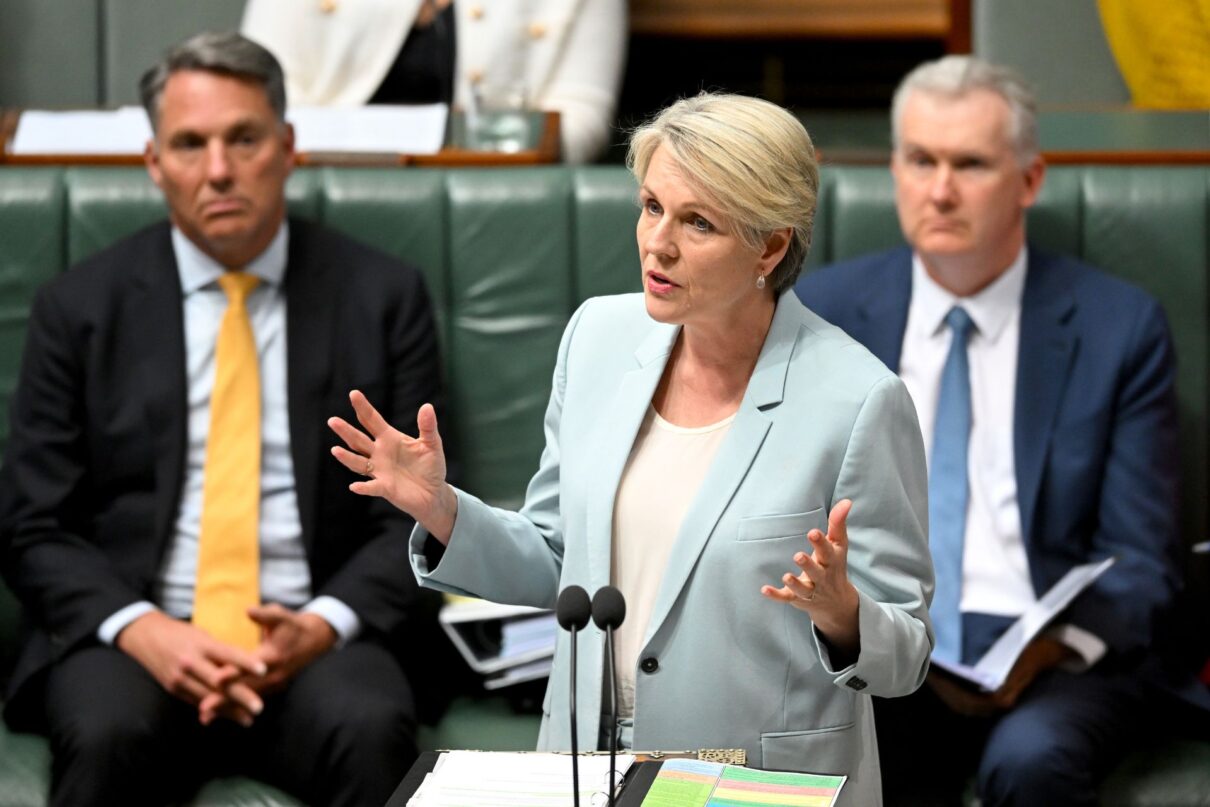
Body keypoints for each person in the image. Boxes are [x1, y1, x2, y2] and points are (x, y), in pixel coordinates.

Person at [328, 92, 934, 806]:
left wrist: (843, 612)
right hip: (584, 768)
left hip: (754, 784)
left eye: (697, 222)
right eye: (651, 206)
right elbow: (559, 560)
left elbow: (907, 657)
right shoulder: (597, 339)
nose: (658, 243)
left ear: (769, 246)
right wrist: (443, 510)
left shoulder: (860, 399)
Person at [0, 31, 445, 807]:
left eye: (243, 138)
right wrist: (144, 628)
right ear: (154, 162)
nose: (218, 169)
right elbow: (33, 523)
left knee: (371, 726)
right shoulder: (78, 308)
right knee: (105, 735)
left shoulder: (382, 296)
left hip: (317, 634)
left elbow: (418, 515)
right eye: (190, 143)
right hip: (138, 632)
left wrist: (322, 623)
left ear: (287, 145)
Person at [796, 55, 1181, 806]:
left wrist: (1053, 646)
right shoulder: (827, 314)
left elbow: (1143, 558)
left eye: (969, 164)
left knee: (1031, 762)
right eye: (920, 160)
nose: (939, 190)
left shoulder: (1117, 326)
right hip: (888, 635)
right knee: (862, 745)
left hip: (1056, 656)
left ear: (1029, 181)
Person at [241, 0, 627, 164]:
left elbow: (584, 121)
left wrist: (479, 146)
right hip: (327, 191)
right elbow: (258, 95)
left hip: (494, 203)